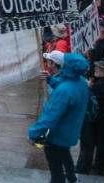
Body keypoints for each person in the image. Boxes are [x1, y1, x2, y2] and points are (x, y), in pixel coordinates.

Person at [28, 53, 90, 183]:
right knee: (65, 154)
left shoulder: (64, 91)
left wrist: (33, 133)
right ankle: (72, 179)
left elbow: (50, 116)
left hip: (58, 135)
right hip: (70, 132)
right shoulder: (82, 82)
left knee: (56, 171)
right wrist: (50, 79)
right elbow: (68, 88)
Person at [76, 58, 104, 176]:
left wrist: (88, 87)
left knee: (87, 143)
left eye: (98, 67)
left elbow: (89, 100)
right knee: (102, 144)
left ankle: (82, 167)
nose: (95, 68)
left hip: (96, 121)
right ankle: (99, 166)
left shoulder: (102, 85)